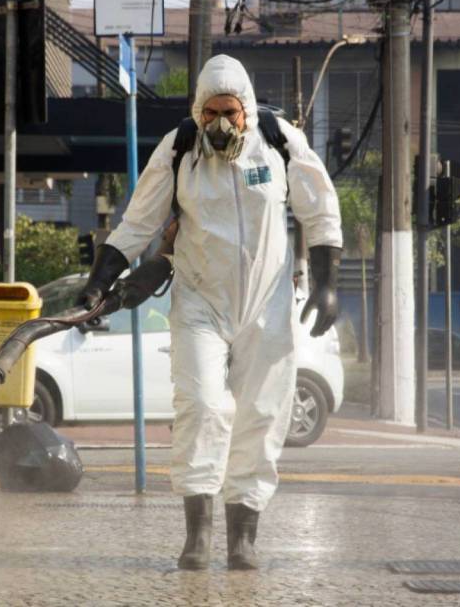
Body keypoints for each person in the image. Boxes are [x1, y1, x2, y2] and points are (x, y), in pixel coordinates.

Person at [77, 55, 342, 570]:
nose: (222, 124)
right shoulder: (179, 149)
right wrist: (97, 283)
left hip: (266, 304)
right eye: (211, 113)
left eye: (231, 112)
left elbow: (320, 206)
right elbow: (138, 221)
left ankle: (243, 536)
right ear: (198, 112)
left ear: (246, 110)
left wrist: (328, 285)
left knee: (262, 413)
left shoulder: (279, 139)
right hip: (200, 300)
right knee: (201, 406)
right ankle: (197, 534)